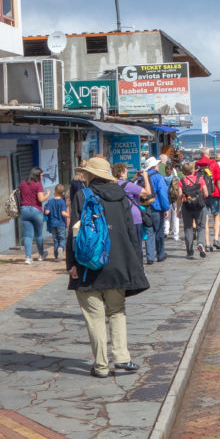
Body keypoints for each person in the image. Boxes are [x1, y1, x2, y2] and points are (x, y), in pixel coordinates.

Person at [66, 158, 149, 378]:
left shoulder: (82, 196)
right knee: (117, 311)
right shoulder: (121, 196)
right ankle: (122, 357)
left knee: (94, 316)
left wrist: (71, 264)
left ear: (90, 175)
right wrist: (134, 264)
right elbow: (131, 232)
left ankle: (101, 366)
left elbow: (74, 232)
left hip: (87, 265)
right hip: (118, 264)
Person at [113, 162, 151, 258]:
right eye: (125, 172)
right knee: (136, 246)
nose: (126, 174)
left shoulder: (113, 184)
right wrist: (146, 177)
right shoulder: (128, 186)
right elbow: (147, 193)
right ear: (121, 173)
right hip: (134, 218)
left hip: (120, 218)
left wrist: (134, 179)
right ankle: (138, 269)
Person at [194, 148, 220, 252]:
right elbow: (219, 181)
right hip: (214, 193)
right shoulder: (214, 164)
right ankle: (216, 239)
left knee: (205, 219)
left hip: (202, 195)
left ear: (201, 154)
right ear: (209, 154)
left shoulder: (197, 165)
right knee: (216, 216)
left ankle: (207, 244)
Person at [177, 161, 208, 259]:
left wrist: (178, 209)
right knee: (201, 227)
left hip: (186, 207)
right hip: (199, 207)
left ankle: (190, 252)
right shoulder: (200, 179)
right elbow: (206, 194)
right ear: (194, 170)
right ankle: (201, 243)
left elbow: (179, 196)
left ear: (184, 171)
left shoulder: (181, 182)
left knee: (188, 228)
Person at [18, 167, 50, 264]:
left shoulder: (23, 183)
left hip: (24, 210)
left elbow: (19, 194)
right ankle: (41, 254)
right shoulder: (38, 184)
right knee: (39, 234)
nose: (42, 176)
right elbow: (40, 199)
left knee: (27, 236)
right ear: (37, 175)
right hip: (36, 211)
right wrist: (47, 195)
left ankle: (28, 257)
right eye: (41, 175)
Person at [143, 157, 170, 265]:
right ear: (154, 166)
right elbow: (163, 194)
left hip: (145, 207)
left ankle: (150, 257)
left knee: (149, 232)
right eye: (157, 165)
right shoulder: (158, 177)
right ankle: (160, 254)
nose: (159, 166)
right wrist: (166, 208)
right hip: (157, 207)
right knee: (159, 231)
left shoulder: (143, 176)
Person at [43, 184, 69, 261]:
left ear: (54, 191)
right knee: (62, 238)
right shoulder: (62, 202)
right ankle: (61, 248)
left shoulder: (50, 201)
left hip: (52, 223)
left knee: (55, 239)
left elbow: (47, 212)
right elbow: (63, 213)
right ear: (63, 193)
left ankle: (56, 256)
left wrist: (44, 210)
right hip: (61, 223)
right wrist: (70, 215)